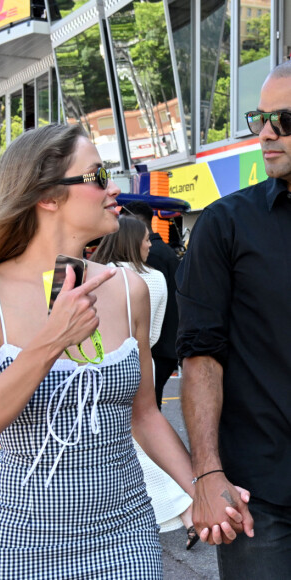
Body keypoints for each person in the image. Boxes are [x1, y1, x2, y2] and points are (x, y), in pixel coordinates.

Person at [0, 124, 233, 578]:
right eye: (97, 176)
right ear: (47, 196)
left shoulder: (127, 288)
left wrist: (202, 488)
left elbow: (145, 415)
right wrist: (51, 340)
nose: (113, 187)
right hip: (22, 541)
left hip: (124, 536)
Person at [176, 62, 291, 577]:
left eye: (283, 120)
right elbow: (201, 355)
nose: (265, 133)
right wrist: (207, 472)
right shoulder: (225, 224)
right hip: (259, 495)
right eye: (260, 118)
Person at [92, 215, 197, 550]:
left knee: (133, 440)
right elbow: (149, 335)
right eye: (146, 239)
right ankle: (187, 507)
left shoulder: (92, 274)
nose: (151, 244)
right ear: (131, 240)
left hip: (99, 364)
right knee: (143, 436)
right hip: (143, 360)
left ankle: (184, 507)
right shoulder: (152, 278)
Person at [122, 200, 180, 407]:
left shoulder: (150, 258)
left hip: (155, 350)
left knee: (145, 411)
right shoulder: (163, 252)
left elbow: (146, 325)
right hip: (164, 347)